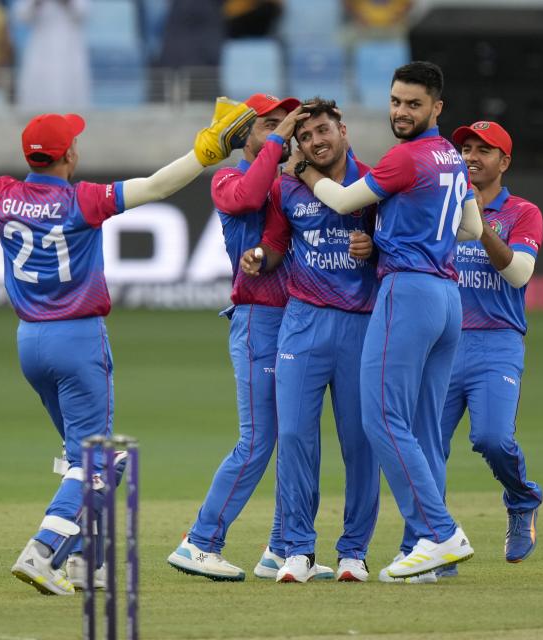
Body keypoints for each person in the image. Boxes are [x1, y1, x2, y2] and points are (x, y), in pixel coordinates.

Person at [0, 92, 256, 594]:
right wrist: (204, 153)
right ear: (68, 155)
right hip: (77, 339)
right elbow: (157, 186)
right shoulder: (83, 200)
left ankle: (83, 562)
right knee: (95, 460)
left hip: (29, 341)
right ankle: (42, 551)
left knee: (95, 461)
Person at [286, 61, 483, 581]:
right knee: (421, 427)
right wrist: (425, 236)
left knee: (381, 420)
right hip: (447, 298)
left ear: (436, 108)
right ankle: (430, 557)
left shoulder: (408, 157)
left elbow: (346, 199)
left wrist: (303, 171)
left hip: (409, 292)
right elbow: (470, 227)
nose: (400, 111)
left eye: (413, 103)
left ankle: (440, 534)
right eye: (396, 100)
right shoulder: (452, 159)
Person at [168, 93, 331, 582]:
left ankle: (282, 548)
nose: (282, 132)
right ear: (246, 135)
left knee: (295, 437)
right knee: (258, 439)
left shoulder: (292, 180)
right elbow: (246, 199)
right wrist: (280, 144)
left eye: (287, 124)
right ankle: (200, 542)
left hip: (298, 318)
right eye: (269, 125)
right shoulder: (229, 178)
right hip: (259, 318)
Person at [240, 98, 381, 583]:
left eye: (323, 131)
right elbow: (278, 243)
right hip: (301, 322)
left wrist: (374, 246)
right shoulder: (288, 187)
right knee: (296, 436)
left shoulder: (376, 182)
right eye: (305, 137)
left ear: (342, 129)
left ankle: (354, 552)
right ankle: (297, 550)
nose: (316, 142)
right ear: (296, 144)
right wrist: (261, 255)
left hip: (360, 325)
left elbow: (403, 244)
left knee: (360, 442)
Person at [439, 121, 543, 573]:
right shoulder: (436, 205)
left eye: (485, 149)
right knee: (426, 447)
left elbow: (518, 274)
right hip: (441, 340)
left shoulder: (522, 212)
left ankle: (522, 499)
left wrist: (480, 226)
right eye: (466, 147)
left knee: (492, 438)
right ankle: (437, 539)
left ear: (505, 161)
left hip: (496, 342)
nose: (472, 156)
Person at [14, 0, 90, 109]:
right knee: (37, 95)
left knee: (69, 93)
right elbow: (21, 16)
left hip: (69, 47)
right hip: (41, 47)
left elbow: (83, 14)